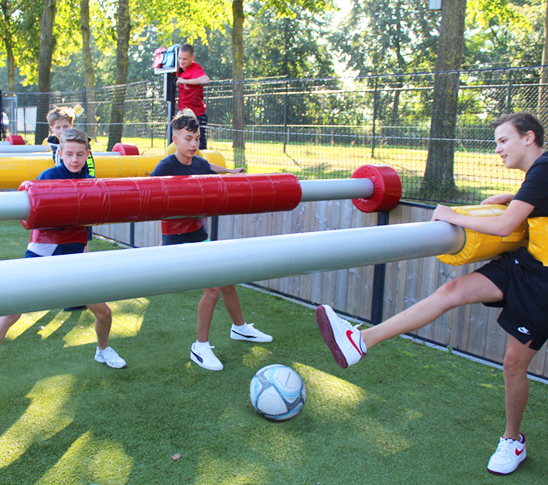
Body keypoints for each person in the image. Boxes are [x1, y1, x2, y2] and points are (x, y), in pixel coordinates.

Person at [315, 112, 548, 476]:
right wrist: (510, 195)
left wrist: (452, 215)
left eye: (504, 140)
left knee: (513, 365)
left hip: (544, 285)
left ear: (529, 137)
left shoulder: (545, 168)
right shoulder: (538, 173)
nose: (498, 148)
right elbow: (527, 206)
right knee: (451, 289)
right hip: (527, 263)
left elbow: (504, 224)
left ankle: (512, 440)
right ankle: (359, 341)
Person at [150, 112, 272, 371]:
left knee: (225, 280)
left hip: (198, 235)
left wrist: (231, 172)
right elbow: (148, 194)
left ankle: (239, 328)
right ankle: (200, 347)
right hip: (175, 240)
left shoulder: (198, 162)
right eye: (188, 138)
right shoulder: (167, 165)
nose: (193, 144)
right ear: (175, 139)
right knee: (212, 287)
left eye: (196, 138)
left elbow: (208, 167)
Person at [0, 129, 126, 369]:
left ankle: (103, 349)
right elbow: (32, 211)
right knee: (11, 310)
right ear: (60, 153)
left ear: (87, 154)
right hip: (43, 250)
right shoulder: (48, 177)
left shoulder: (91, 183)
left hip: (75, 253)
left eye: (80, 154)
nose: (75, 159)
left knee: (104, 313)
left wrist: (84, 250)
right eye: (69, 154)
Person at [176, 44, 209, 150]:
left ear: (192, 58)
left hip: (197, 115)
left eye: (185, 59)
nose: (181, 61)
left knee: (198, 146)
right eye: (179, 58)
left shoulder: (195, 68)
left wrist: (185, 81)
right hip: (183, 114)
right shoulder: (179, 69)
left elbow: (205, 80)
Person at [46, 106, 95, 177]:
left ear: (71, 125)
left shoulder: (81, 142)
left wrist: (90, 181)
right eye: (58, 127)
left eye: (65, 126)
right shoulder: (51, 141)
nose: (62, 131)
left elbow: (90, 166)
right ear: (51, 128)